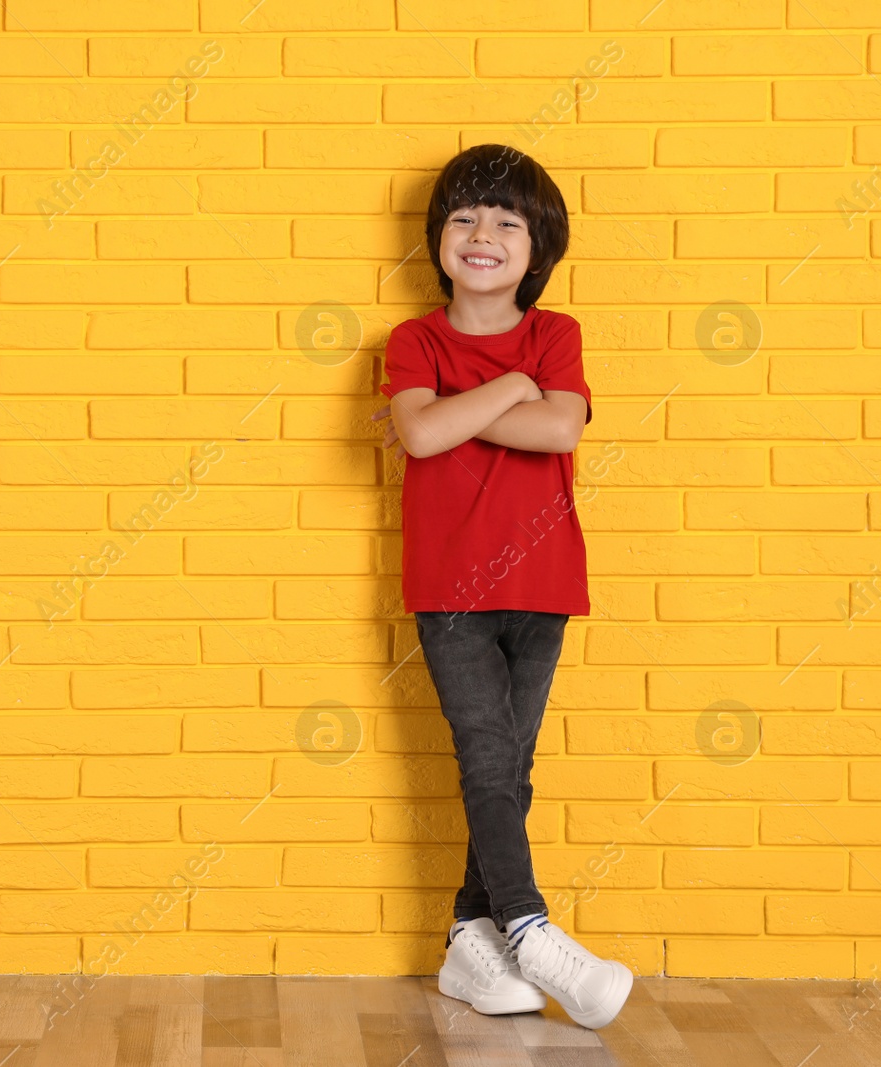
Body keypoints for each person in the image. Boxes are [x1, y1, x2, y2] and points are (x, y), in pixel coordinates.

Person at [372, 143, 633, 1030]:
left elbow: (561, 429)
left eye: (506, 222)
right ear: (438, 237)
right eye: (464, 218)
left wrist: (480, 399)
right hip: (449, 589)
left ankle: (466, 940)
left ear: (538, 247)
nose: (483, 235)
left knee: (508, 769)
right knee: (486, 755)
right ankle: (528, 927)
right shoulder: (414, 340)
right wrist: (509, 388)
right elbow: (421, 436)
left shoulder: (555, 334)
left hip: (545, 582)